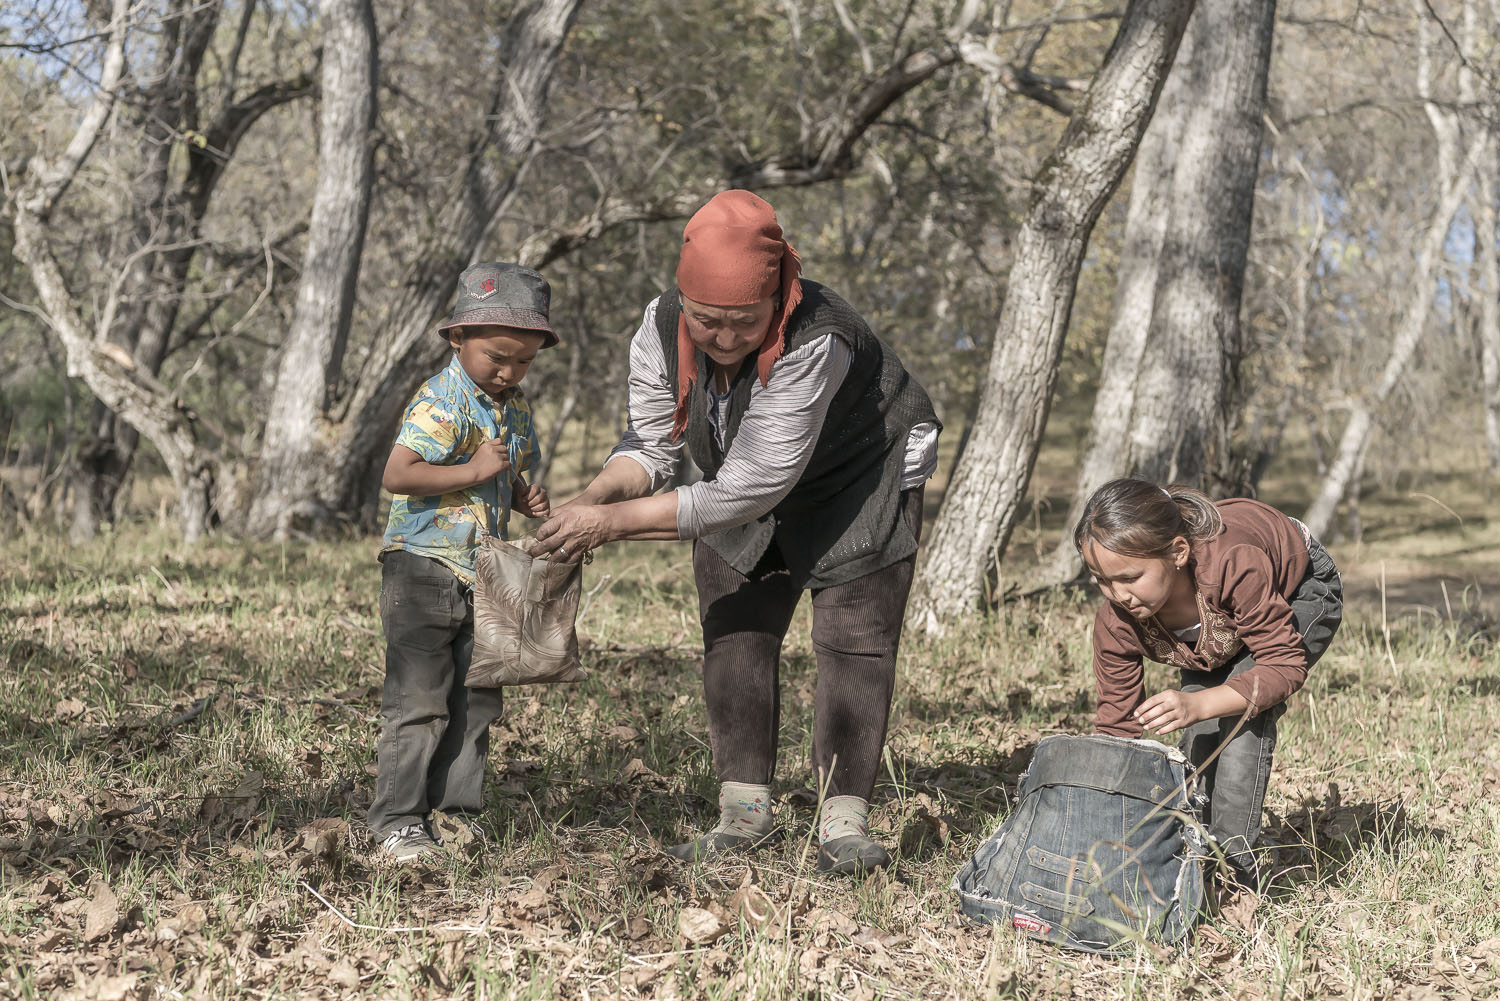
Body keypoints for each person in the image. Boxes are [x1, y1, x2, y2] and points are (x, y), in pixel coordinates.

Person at [532, 190, 940, 875]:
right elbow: (653, 445)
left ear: (776, 297)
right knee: (734, 620)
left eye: (742, 322)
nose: (721, 338)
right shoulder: (661, 324)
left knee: (854, 639)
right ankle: (744, 815)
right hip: (743, 478)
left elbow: (752, 486)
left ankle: (844, 824)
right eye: (705, 321)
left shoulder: (819, 337)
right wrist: (593, 496)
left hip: (858, 475)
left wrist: (611, 524)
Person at [368, 262, 556, 862]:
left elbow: (510, 472)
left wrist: (522, 495)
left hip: (487, 571)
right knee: (420, 701)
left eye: (523, 361)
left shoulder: (515, 406)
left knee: (477, 700)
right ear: (458, 338)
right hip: (423, 568)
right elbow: (400, 473)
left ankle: (455, 814)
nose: (509, 371)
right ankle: (399, 819)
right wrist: (475, 471)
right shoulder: (442, 398)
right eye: (497, 356)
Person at [1074, 478, 1343, 883]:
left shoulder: (1234, 564)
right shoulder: (1117, 624)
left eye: (1129, 577)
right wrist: (1100, 819)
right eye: (1102, 580)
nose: (1118, 595)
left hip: (1296, 589)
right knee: (1199, 732)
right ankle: (1193, 863)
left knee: (1240, 725)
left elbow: (1282, 665)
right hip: (1220, 628)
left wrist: (1198, 704)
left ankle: (1231, 877)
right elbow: (1117, 728)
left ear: (1178, 553)